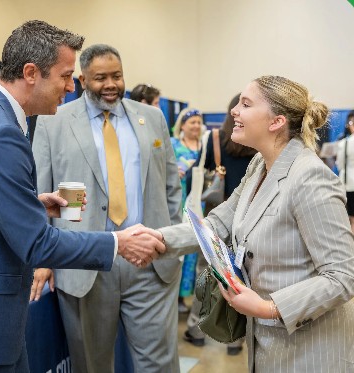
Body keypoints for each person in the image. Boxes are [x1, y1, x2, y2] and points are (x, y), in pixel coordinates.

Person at [0, 21, 163, 373]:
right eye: (65, 76)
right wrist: (117, 243)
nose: (72, 87)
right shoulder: (1, 133)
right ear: (31, 73)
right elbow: (37, 245)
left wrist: (32, 204)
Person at [137, 75, 354, 372]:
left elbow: (343, 276)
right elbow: (216, 225)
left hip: (310, 350)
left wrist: (269, 308)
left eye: (245, 104)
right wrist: (157, 238)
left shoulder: (309, 177)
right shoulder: (259, 165)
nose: (233, 111)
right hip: (267, 344)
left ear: (276, 122)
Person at [32, 44, 182, 373]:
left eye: (117, 75)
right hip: (86, 264)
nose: (111, 84)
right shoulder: (52, 121)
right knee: (91, 365)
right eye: (101, 78)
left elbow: (171, 185)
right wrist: (43, 260)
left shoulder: (153, 118)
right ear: (83, 79)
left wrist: (171, 243)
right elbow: (40, 193)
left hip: (149, 262)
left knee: (160, 364)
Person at [183, 95, 256, 354]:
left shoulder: (215, 139)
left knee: (206, 276)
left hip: (216, 217)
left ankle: (196, 329)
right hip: (248, 219)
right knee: (241, 279)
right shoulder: (257, 143)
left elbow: (195, 172)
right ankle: (235, 341)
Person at [170, 108, 203, 314]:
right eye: (192, 122)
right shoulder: (173, 145)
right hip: (179, 199)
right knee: (178, 247)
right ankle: (174, 294)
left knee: (194, 252)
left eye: (199, 123)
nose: (196, 126)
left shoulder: (204, 146)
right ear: (182, 125)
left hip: (199, 201)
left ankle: (187, 295)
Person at [336, 110, 354, 232]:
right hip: (349, 183)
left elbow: (340, 164)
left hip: (350, 184)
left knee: (351, 218)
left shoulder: (345, 143)